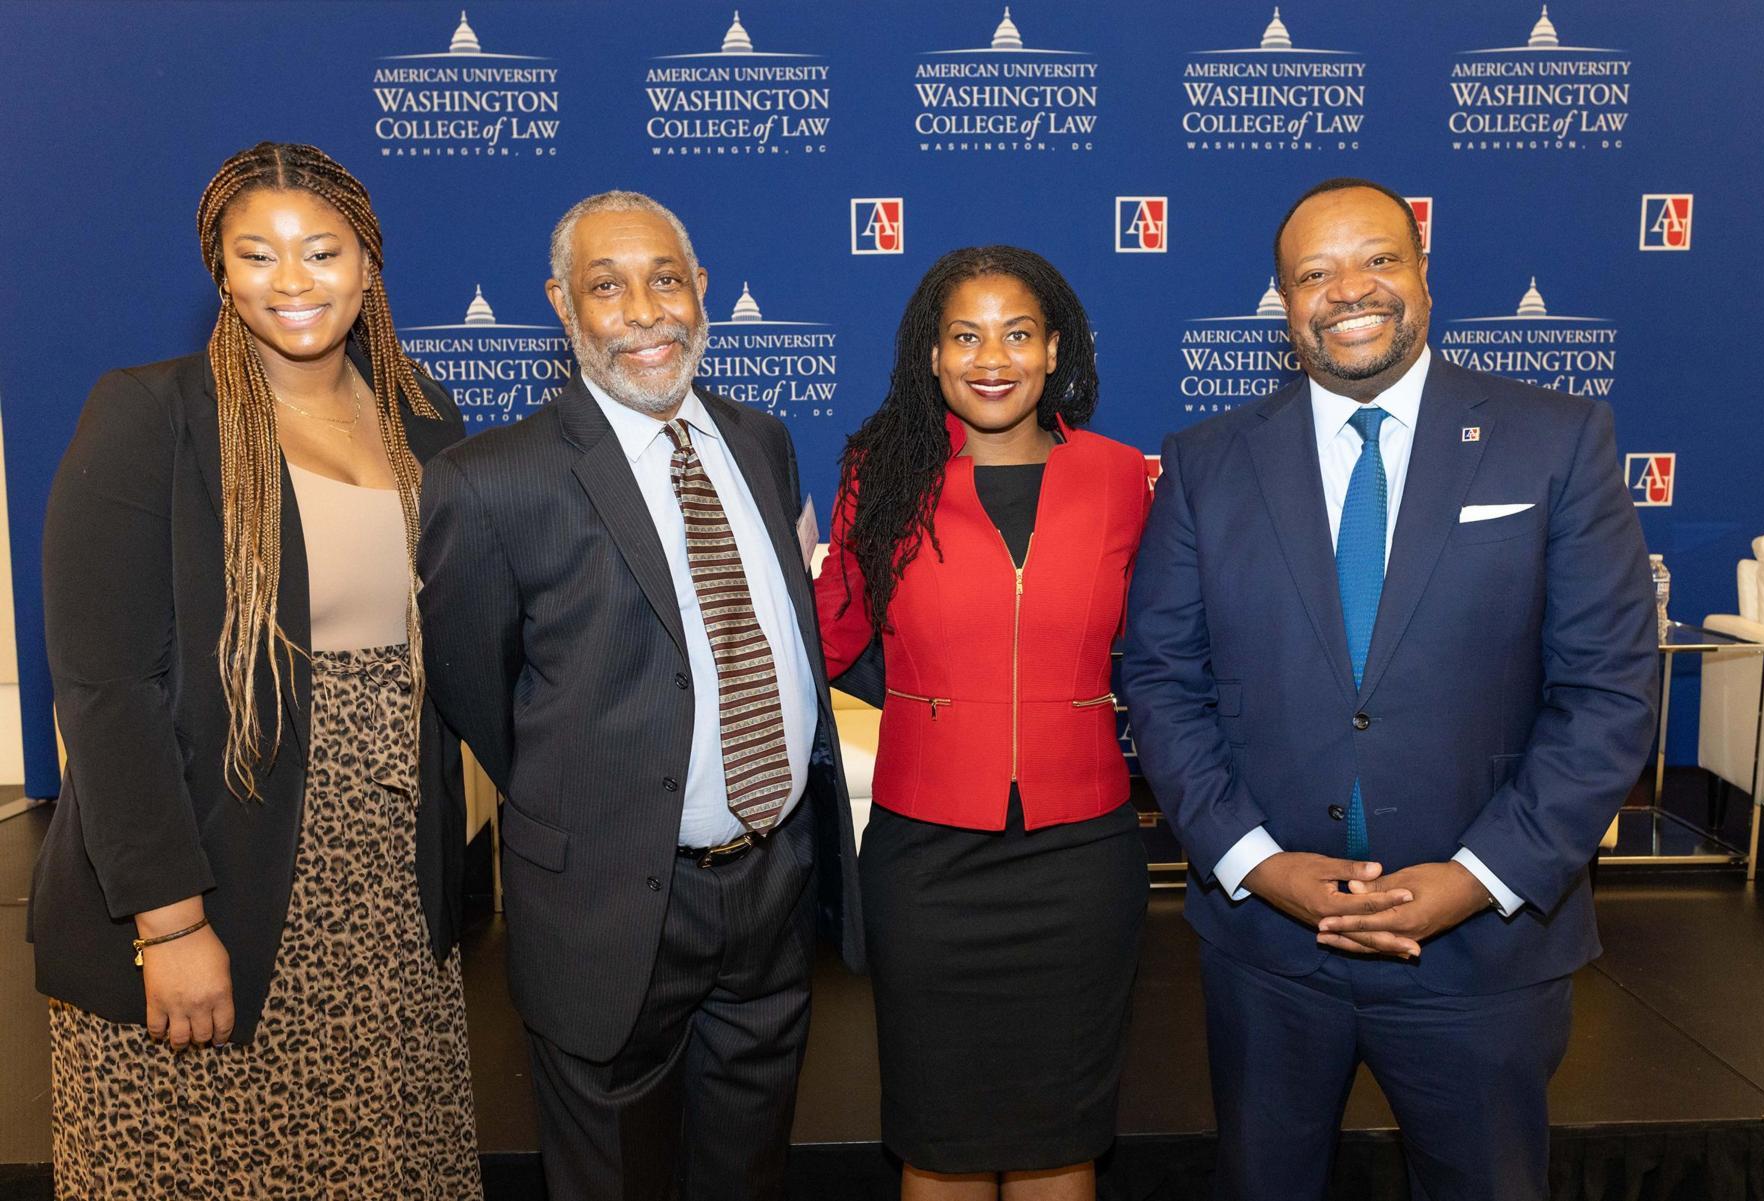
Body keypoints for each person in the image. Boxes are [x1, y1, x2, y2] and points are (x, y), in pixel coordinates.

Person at [1121, 177, 1659, 1201]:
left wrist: (1478, 875)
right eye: (1312, 273)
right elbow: (1161, 680)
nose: (1347, 290)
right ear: (1282, 305)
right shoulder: (1204, 464)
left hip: (1488, 952)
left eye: (1376, 259)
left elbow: (1608, 694)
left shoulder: (1557, 438)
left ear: (1423, 272)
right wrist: (1257, 862)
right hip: (1270, 957)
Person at [29, 141, 479, 1199]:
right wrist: (170, 921)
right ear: (220, 273)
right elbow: (103, 690)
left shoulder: (427, 421)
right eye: (258, 255)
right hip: (216, 880)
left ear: (368, 265)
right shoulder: (151, 416)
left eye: (322, 252)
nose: (292, 281)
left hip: (384, 902)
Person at [417, 190, 864, 1201]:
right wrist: (596, 802)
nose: (645, 311)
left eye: (666, 278)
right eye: (606, 287)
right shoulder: (491, 481)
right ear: (561, 307)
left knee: (748, 1175)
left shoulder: (762, 439)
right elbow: (479, 697)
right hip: (606, 906)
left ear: (702, 290)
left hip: (773, 885)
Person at [813, 246, 1151, 1201]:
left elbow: (1175, 650)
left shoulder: (1123, 477)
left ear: (1054, 351)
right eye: (965, 334)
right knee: (940, 1134)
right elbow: (825, 636)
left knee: (1062, 1136)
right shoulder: (880, 474)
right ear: (931, 353)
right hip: (926, 859)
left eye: (1016, 333)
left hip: (1081, 855)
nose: (990, 356)